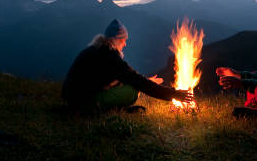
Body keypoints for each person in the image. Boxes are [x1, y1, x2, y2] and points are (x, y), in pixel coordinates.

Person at [62, 19, 192, 112]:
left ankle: (109, 108)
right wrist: (174, 94)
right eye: (124, 40)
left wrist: (146, 82)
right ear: (117, 39)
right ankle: (103, 109)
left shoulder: (96, 50)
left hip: (72, 99)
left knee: (132, 84)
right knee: (132, 90)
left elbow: (116, 78)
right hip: (81, 103)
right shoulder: (110, 56)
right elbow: (137, 81)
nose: (125, 44)